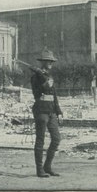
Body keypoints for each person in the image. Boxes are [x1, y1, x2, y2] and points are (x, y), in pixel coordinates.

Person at [30, 48, 63, 178]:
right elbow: (37, 93)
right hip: (41, 110)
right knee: (40, 140)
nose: (50, 63)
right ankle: (39, 170)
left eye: (51, 61)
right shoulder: (35, 77)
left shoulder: (48, 77)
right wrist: (45, 83)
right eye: (48, 61)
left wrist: (59, 112)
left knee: (56, 139)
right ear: (42, 62)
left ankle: (47, 166)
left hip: (51, 111)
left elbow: (54, 96)